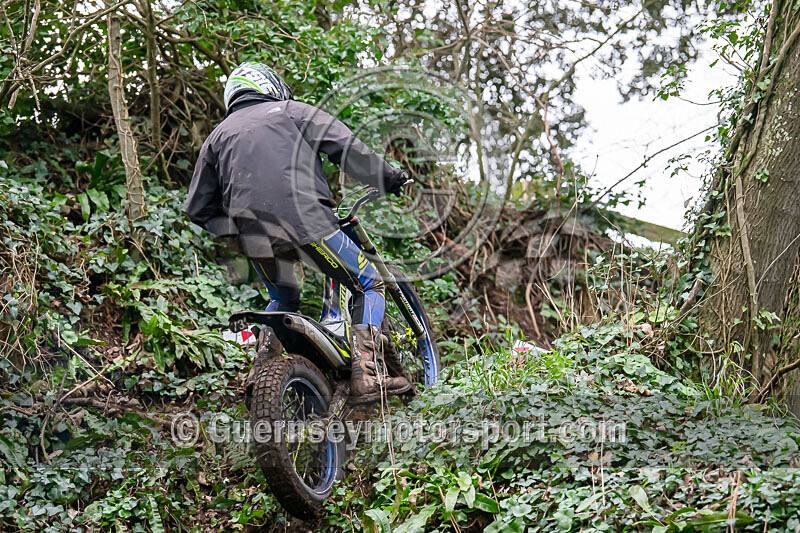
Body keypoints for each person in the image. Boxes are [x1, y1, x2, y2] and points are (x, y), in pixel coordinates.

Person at [185, 61, 411, 403]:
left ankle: (260, 373)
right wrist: (389, 178)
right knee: (369, 281)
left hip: (255, 237)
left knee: (284, 296)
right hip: (308, 225)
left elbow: (197, 208)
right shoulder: (291, 111)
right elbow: (346, 149)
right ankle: (368, 373)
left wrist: (238, 233)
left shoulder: (218, 136)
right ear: (269, 85)